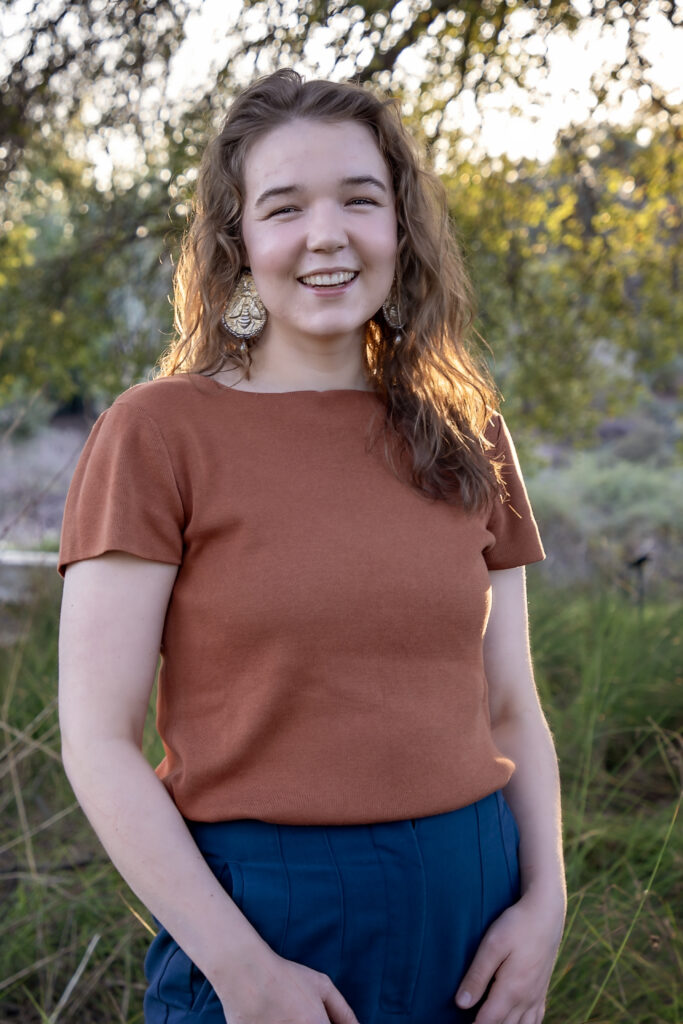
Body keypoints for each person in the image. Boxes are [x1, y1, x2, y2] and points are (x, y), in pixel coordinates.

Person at [57, 68, 566, 1024]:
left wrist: (547, 907)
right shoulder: (157, 432)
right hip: (259, 917)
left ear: (400, 227)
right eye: (284, 207)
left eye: (359, 200)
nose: (325, 235)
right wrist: (242, 970)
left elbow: (510, 708)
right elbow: (96, 739)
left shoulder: (466, 429)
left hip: (478, 913)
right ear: (237, 241)